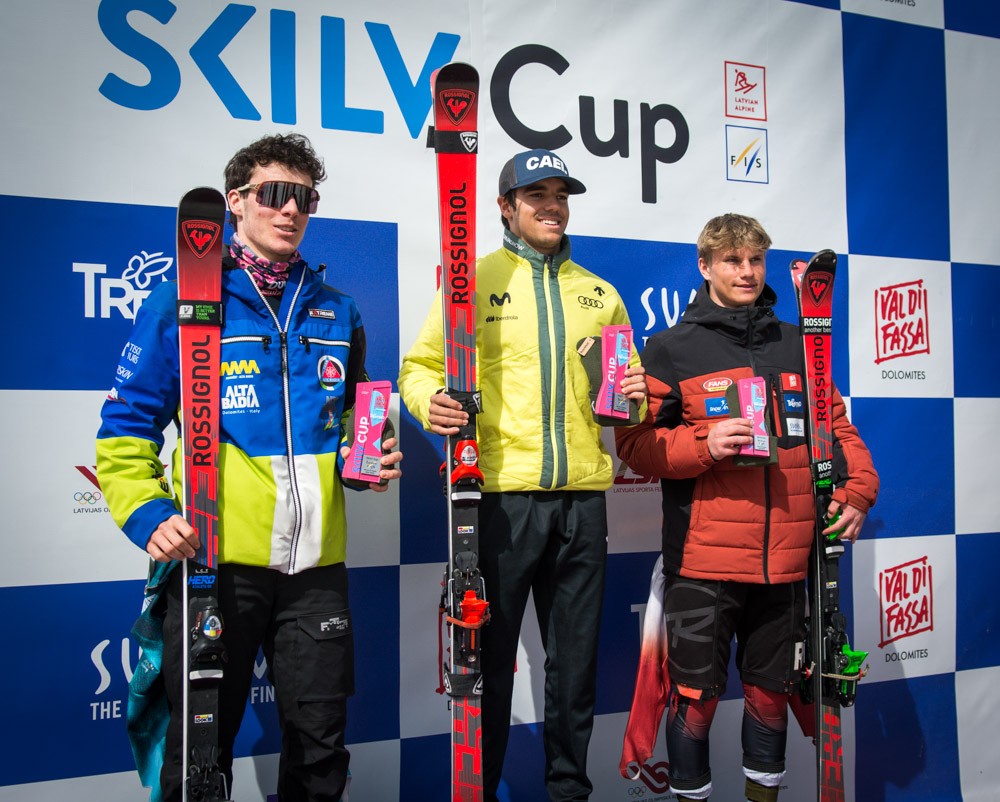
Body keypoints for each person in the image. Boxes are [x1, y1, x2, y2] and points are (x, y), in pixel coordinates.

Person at [96, 132, 403, 802]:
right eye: (274, 194)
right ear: (235, 201)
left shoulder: (337, 309)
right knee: (199, 758)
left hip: (316, 570)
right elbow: (125, 425)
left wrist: (367, 454)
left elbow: (349, 419)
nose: (290, 210)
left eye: (304, 198)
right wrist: (145, 510)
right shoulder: (186, 299)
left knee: (321, 753)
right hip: (215, 565)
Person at [398, 148, 647, 802]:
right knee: (489, 667)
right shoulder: (470, 282)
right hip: (500, 502)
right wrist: (434, 401)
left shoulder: (600, 293)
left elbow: (628, 397)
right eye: (537, 195)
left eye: (561, 195)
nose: (552, 206)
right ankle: (478, 790)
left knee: (575, 671)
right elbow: (421, 368)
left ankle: (569, 793)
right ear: (506, 207)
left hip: (582, 505)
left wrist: (638, 396)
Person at [615, 213, 879, 802]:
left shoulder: (799, 342)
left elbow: (835, 426)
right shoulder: (671, 349)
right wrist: (703, 445)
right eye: (732, 260)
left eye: (755, 260)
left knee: (770, 695)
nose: (747, 271)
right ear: (705, 266)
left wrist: (858, 488)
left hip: (786, 563)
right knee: (695, 701)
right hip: (703, 563)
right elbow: (634, 446)